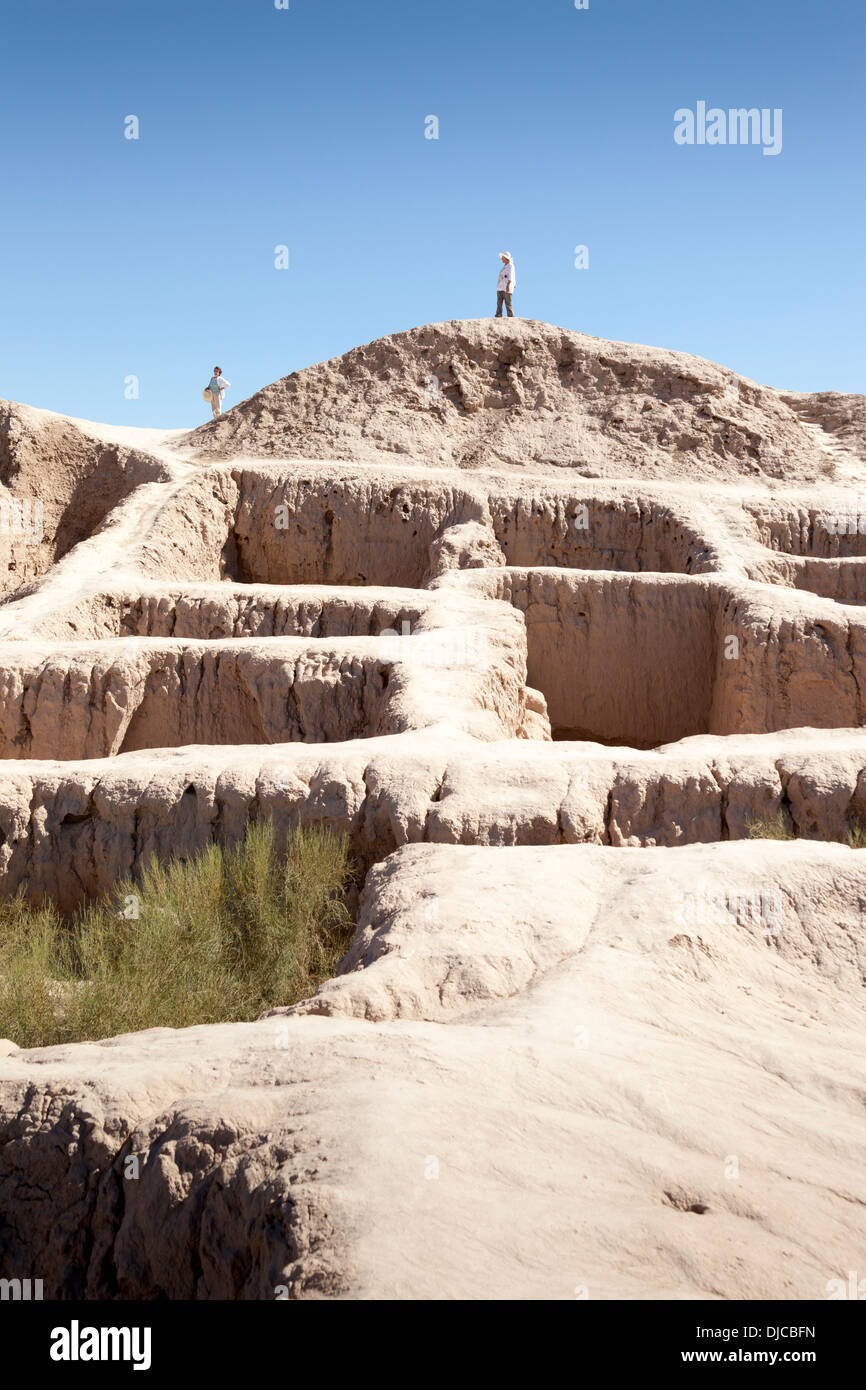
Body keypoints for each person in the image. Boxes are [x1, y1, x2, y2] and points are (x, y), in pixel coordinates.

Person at [495, 252, 516, 318]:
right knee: (499, 302)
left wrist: (508, 286)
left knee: (508, 302)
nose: (501, 259)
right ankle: (498, 314)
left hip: (507, 286)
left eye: (503, 257)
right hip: (500, 286)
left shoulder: (511, 266)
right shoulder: (504, 266)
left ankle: (510, 316)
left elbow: (511, 276)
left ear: (506, 258)